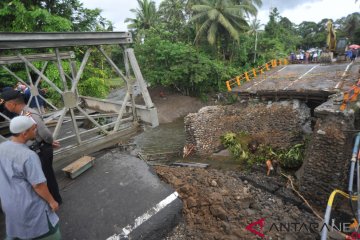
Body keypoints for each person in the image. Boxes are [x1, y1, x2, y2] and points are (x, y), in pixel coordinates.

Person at [0, 116, 60, 239]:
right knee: (53, 234)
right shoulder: (28, 156)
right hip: (29, 206)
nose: (36, 131)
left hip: (9, 203)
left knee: (15, 233)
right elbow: (38, 185)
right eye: (33, 129)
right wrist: (52, 201)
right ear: (24, 133)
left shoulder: (3, 147)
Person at [0, 89, 62, 204]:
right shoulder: (23, 114)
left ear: (11, 104)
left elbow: (45, 132)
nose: (5, 108)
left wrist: (49, 141)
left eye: (5, 105)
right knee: (45, 176)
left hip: (42, 149)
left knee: (47, 177)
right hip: (40, 147)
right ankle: (51, 199)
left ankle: (55, 200)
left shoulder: (29, 114)